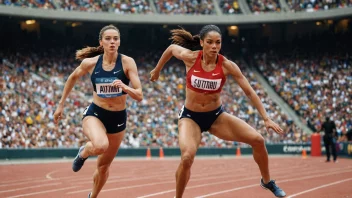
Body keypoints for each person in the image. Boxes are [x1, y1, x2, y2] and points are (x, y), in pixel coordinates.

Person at [150, 25, 286, 198]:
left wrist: (266, 118)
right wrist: (157, 70)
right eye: (210, 42)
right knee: (186, 158)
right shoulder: (191, 58)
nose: (214, 46)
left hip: (216, 117)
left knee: (258, 140)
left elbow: (250, 92)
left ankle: (267, 181)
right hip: (191, 117)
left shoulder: (227, 66)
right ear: (201, 43)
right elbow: (170, 49)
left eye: (218, 43)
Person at [53, 25, 143, 198]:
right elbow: (72, 78)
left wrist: (125, 87)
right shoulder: (91, 63)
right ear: (101, 42)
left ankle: (92, 196)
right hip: (96, 114)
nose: (112, 42)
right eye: (108, 39)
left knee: (103, 167)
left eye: (115, 38)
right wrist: (61, 104)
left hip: (118, 118)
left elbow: (139, 95)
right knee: (101, 145)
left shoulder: (127, 62)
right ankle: (84, 151)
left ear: (119, 42)